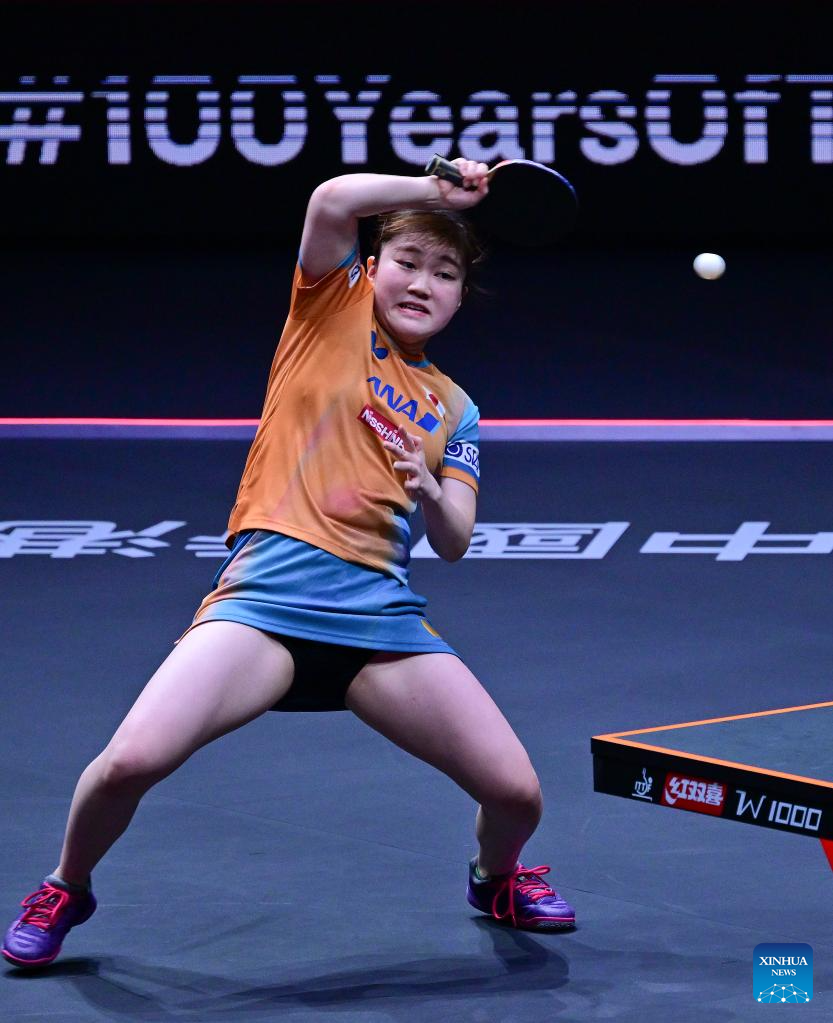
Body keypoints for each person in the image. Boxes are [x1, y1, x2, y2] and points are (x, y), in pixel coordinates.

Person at [2, 159, 575, 969]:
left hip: (377, 620)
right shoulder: (327, 309)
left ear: (459, 297)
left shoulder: (455, 406)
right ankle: (67, 884)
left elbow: (454, 539)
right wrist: (437, 194)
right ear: (371, 268)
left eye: (444, 273)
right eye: (407, 261)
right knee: (128, 762)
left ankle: (496, 877)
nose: (422, 282)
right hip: (264, 602)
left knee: (515, 793)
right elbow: (331, 200)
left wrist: (428, 490)